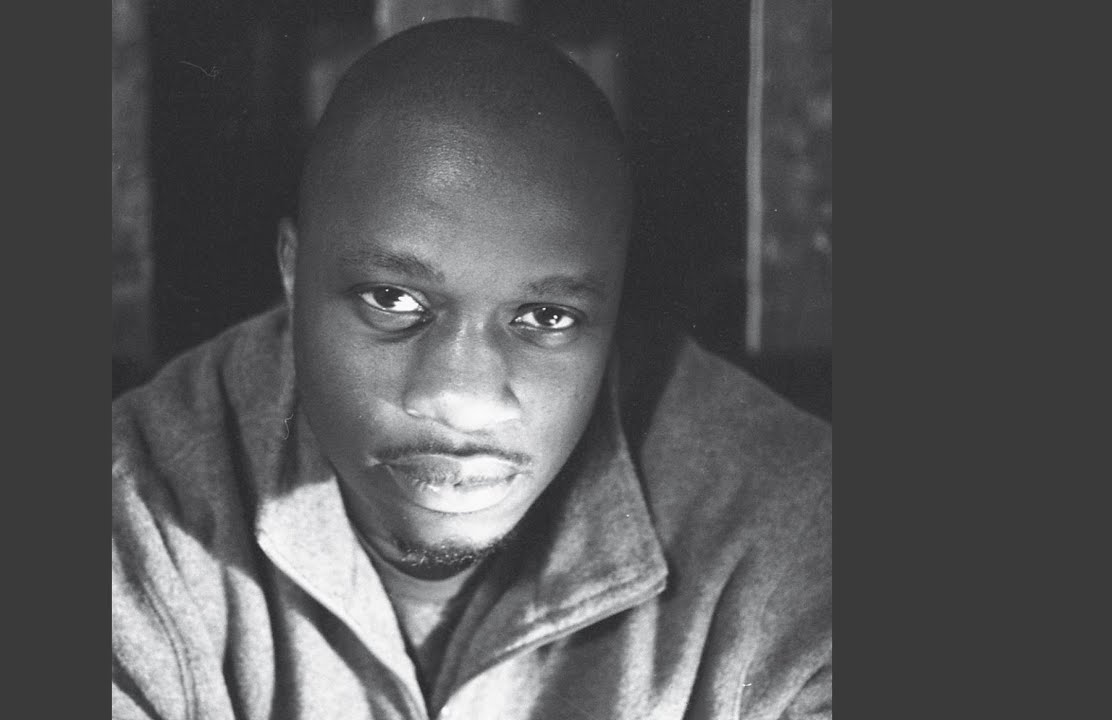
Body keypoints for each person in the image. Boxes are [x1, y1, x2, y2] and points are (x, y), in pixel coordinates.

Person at [112, 17, 830, 720]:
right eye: (392, 300)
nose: (460, 398)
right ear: (293, 274)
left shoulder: (795, 538)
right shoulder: (137, 514)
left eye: (546, 316)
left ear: (614, 314)